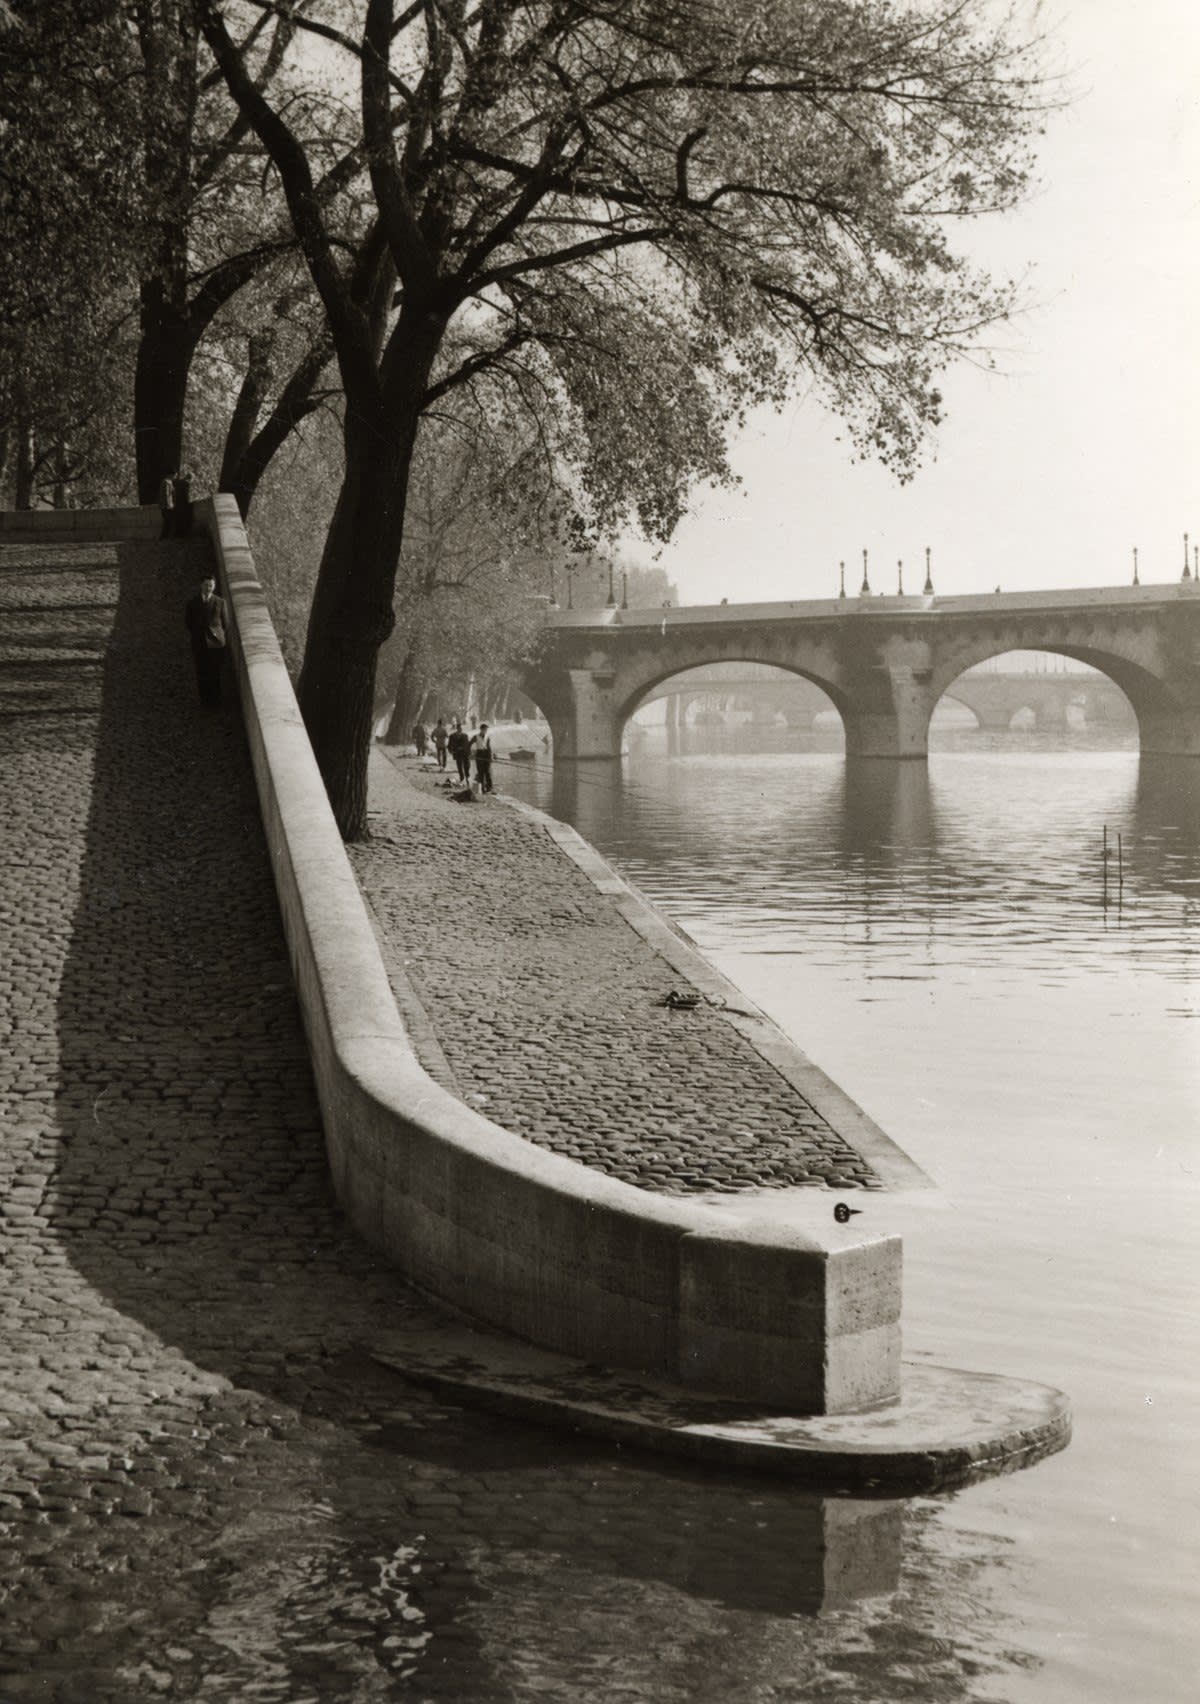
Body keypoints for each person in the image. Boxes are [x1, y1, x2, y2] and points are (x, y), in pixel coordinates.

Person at [184, 573, 228, 707]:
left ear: (214, 587)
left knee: (215, 672)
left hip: (216, 644)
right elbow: (188, 623)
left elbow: (225, 623)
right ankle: (205, 701)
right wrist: (198, 634)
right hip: (199, 642)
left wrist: (217, 636)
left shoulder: (220, 602)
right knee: (201, 672)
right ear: (200, 585)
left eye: (211, 585)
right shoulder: (192, 603)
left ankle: (216, 701)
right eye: (206, 585)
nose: (208, 588)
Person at [173, 467, 194, 538]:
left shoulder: (177, 482)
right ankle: (183, 534)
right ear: (190, 479)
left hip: (175, 504)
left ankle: (176, 534)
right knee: (183, 519)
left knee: (177, 519)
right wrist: (188, 502)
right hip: (182, 504)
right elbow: (186, 495)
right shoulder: (186, 483)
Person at [474, 721, 494, 793]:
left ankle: (490, 788)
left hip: (486, 754)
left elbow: (489, 747)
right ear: (481, 729)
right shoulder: (476, 737)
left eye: (486, 729)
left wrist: (491, 756)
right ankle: (482, 789)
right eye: (485, 729)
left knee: (488, 772)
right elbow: (469, 744)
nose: (486, 731)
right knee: (481, 773)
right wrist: (470, 753)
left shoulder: (487, 737)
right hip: (479, 754)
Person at [158, 471, 176, 539]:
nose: (175, 477)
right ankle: (166, 537)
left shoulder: (165, 481)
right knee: (169, 521)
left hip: (165, 505)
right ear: (172, 475)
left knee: (167, 521)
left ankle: (164, 537)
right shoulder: (167, 482)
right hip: (167, 506)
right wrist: (169, 505)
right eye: (175, 475)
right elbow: (167, 494)